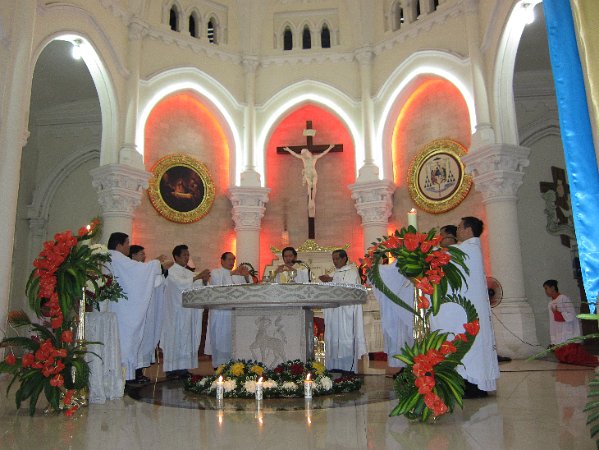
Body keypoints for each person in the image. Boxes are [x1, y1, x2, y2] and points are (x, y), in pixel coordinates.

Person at [430, 216, 500, 398]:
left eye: (460, 227)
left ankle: (474, 384)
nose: (457, 230)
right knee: (470, 348)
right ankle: (468, 382)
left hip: (471, 312)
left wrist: (425, 248)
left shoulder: (468, 249)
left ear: (468, 230)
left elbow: (443, 257)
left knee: (472, 348)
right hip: (469, 310)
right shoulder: (468, 248)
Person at [106, 232, 172, 383]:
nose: (128, 247)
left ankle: (123, 376)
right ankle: (125, 376)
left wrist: (157, 266)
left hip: (117, 308)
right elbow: (140, 272)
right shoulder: (118, 258)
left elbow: (139, 273)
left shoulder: (108, 258)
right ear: (119, 245)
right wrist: (159, 266)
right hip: (123, 311)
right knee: (125, 342)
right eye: (127, 243)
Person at [161, 245, 211, 379]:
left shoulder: (188, 273)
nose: (187, 257)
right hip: (175, 313)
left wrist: (203, 281)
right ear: (176, 257)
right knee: (175, 340)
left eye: (188, 255)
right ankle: (171, 370)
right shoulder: (170, 271)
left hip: (187, 314)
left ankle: (183, 369)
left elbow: (196, 288)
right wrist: (197, 277)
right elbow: (180, 285)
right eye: (184, 255)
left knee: (186, 340)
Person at [319, 249, 367, 373]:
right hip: (335, 311)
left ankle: (348, 369)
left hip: (347, 311)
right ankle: (333, 367)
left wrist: (331, 280)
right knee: (334, 336)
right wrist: (327, 282)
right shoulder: (334, 273)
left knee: (346, 336)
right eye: (333, 259)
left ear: (344, 258)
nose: (335, 261)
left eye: (337, 259)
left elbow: (348, 288)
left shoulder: (352, 271)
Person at [205, 252, 253, 366]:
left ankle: (235, 365)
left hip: (235, 313)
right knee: (220, 339)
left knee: (234, 340)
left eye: (233, 260)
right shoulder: (216, 272)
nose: (232, 262)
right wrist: (232, 273)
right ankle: (219, 365)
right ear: (222, 260)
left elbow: (248, 288)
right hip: (220, 313)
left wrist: (246, 276)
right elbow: (218, 286)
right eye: (229, 259)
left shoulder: (239, 275)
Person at [543, 279, 598, 367]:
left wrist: (558, 313)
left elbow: (571, 315)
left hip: (568, 330)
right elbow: (552, 321)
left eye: (546, 288)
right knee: (563, 356)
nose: (545, 291)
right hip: (558, 331)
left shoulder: (563, 298)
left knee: (572, 354)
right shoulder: (550, 303)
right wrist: (553, 337)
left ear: (552, 288)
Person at [282, 144, 334, 217]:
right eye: (303, 154)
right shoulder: (303, 158)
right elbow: (295, 155)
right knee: (309, 185)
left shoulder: (315, 157)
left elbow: (323, 153)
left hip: (313, 173)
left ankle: (313, 199)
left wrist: (330, 147)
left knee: (314, 184)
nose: (304, 155)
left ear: (308, 152)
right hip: (307, 173)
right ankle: (310, 199)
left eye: (304, 153)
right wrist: (288, 150)